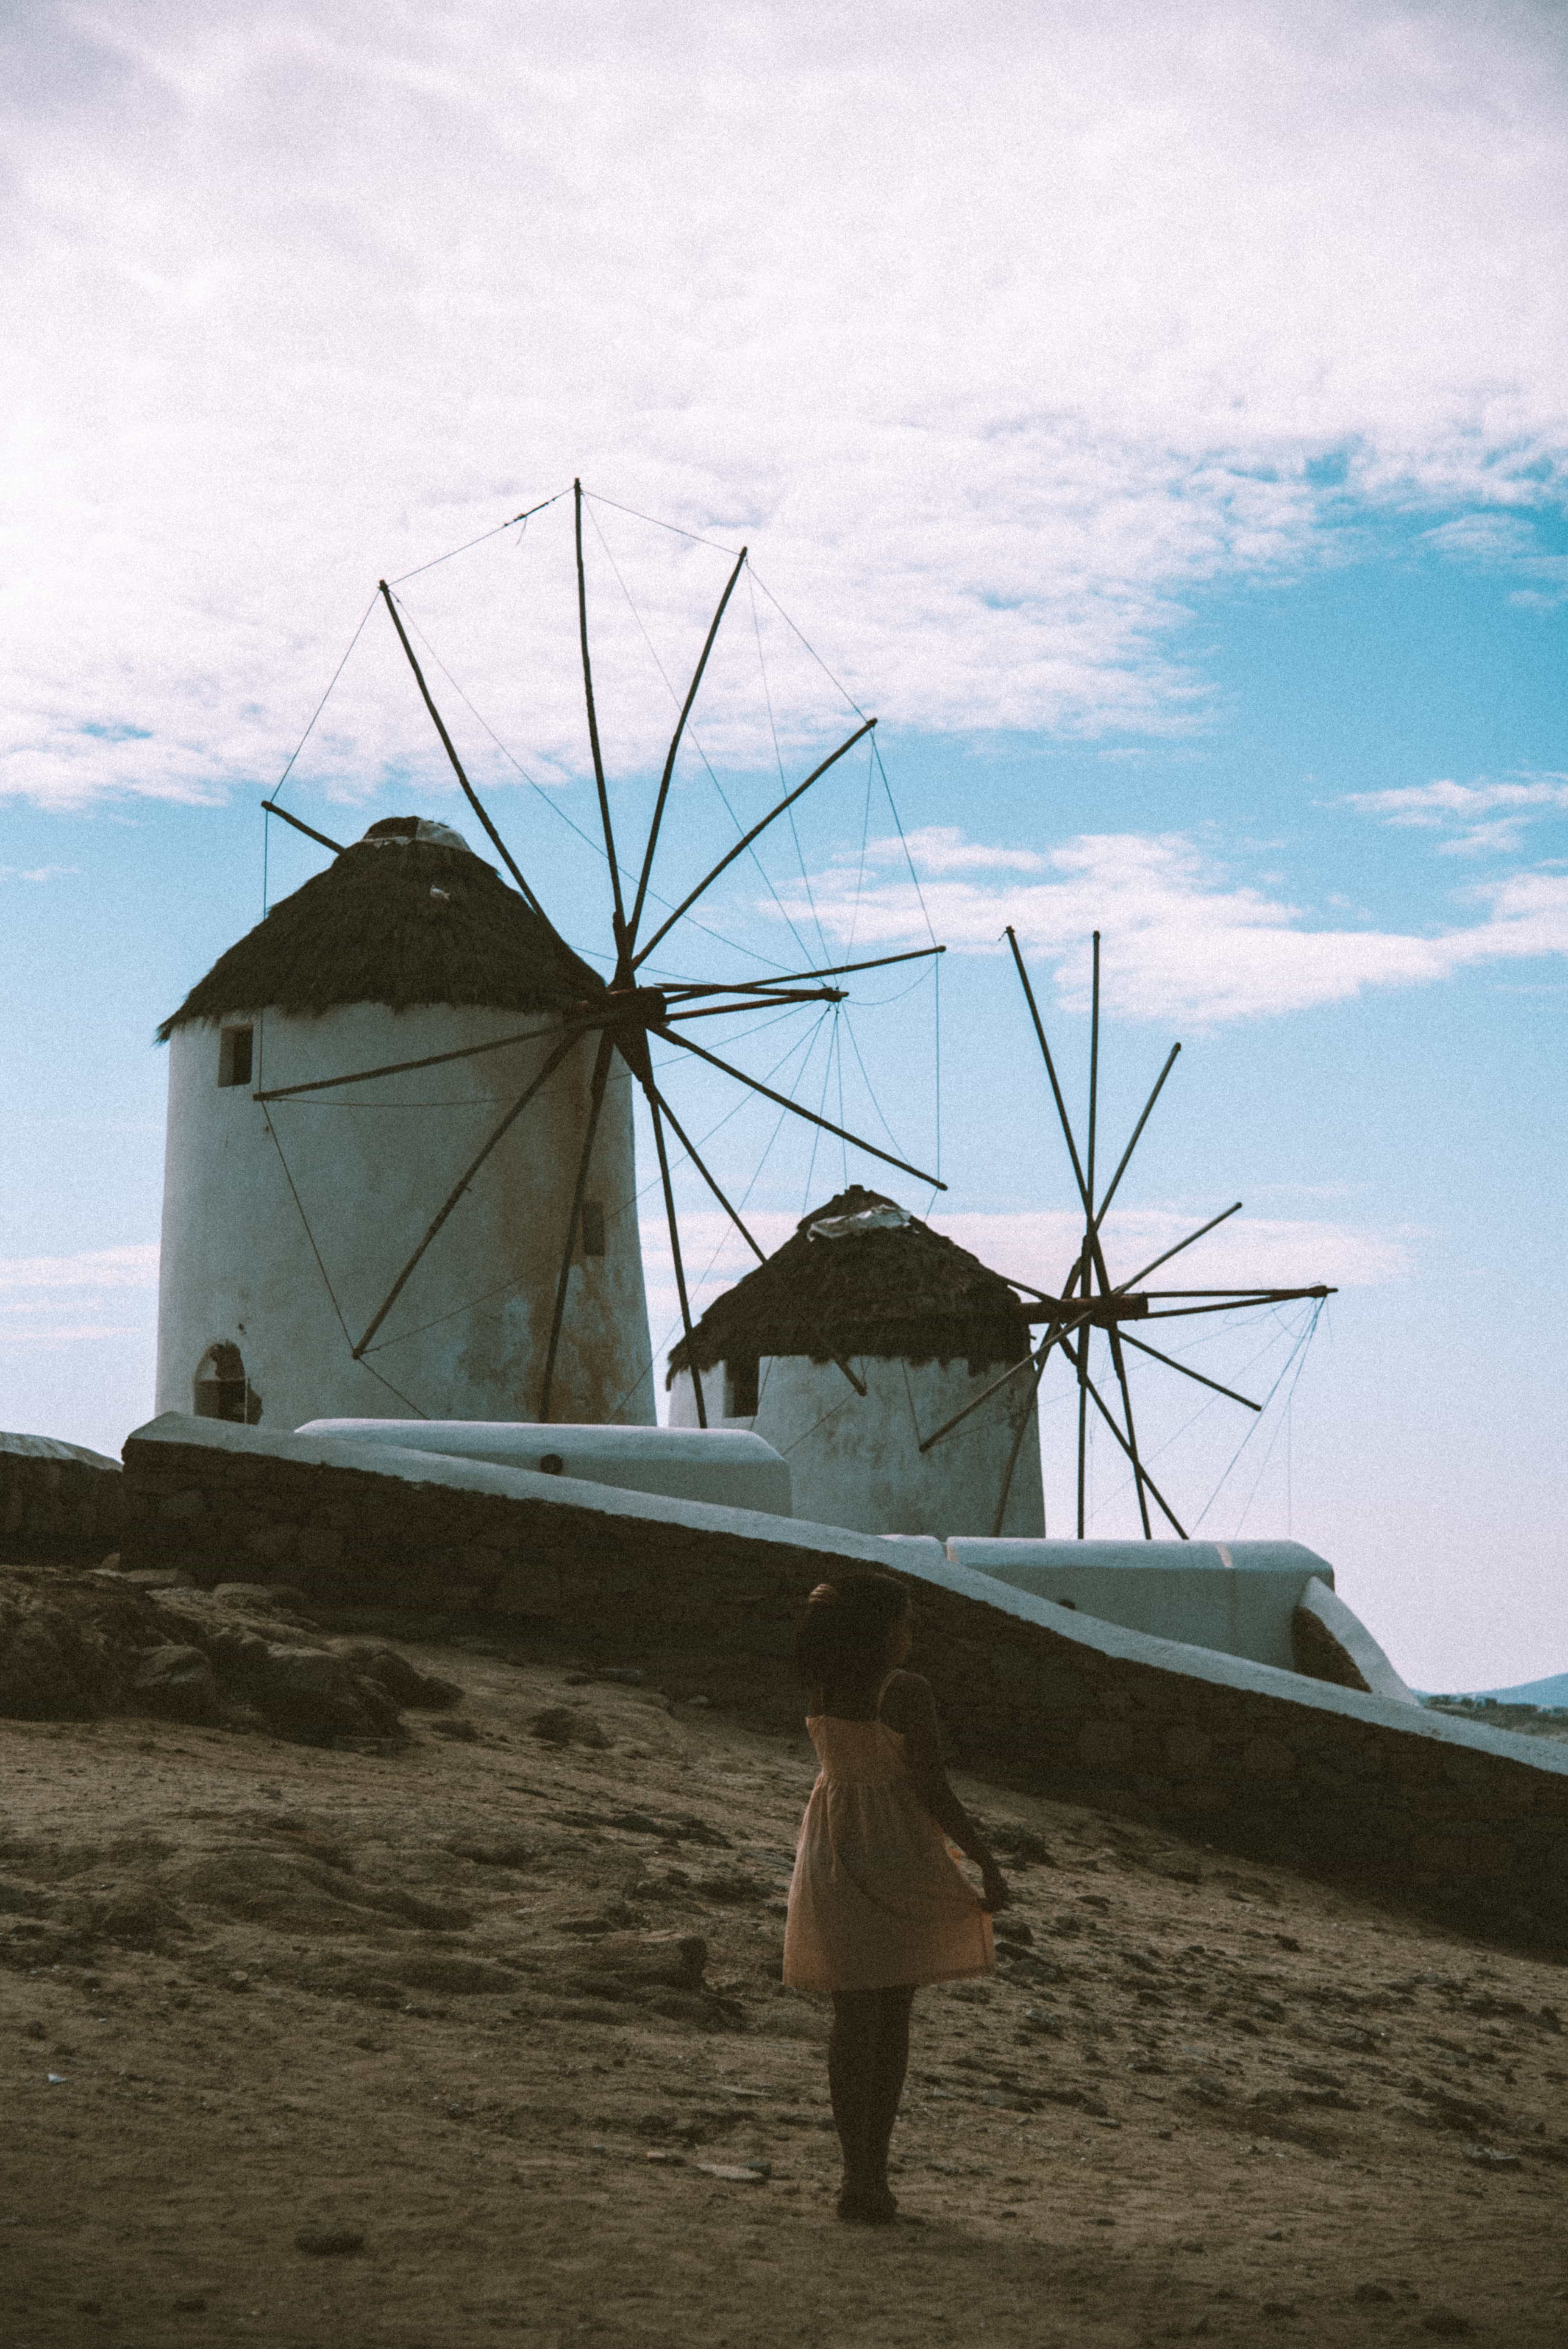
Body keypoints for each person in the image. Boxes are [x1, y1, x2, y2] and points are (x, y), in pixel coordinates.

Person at [782, 1572, 1010, 2224]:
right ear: (883, 1631)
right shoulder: (905, 1691)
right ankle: (872, 2176)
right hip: (897, 1850)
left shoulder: (823, 1681)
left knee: (852, 2017)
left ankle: (857, 2175)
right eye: (907, 1622)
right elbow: (933, 1788)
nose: (914, 1633)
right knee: (892, 2018)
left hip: (831, 1841)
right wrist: (986, 1861)